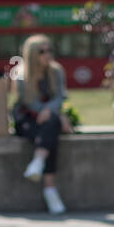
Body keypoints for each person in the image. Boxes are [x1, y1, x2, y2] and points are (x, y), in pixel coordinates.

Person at [14, 33, 68, 215]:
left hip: (48, 117)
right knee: (50, 133)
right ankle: (50, 189)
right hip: (27, 119)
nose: (48, 54)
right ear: (32, 54)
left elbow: (60, 97)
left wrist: (48, 110)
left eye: (50, 50)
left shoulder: (56, 71)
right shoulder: (21, 75)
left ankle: (38, 162)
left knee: (50, 127)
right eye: (42, 51)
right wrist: (45, 111)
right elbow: (27, 102)